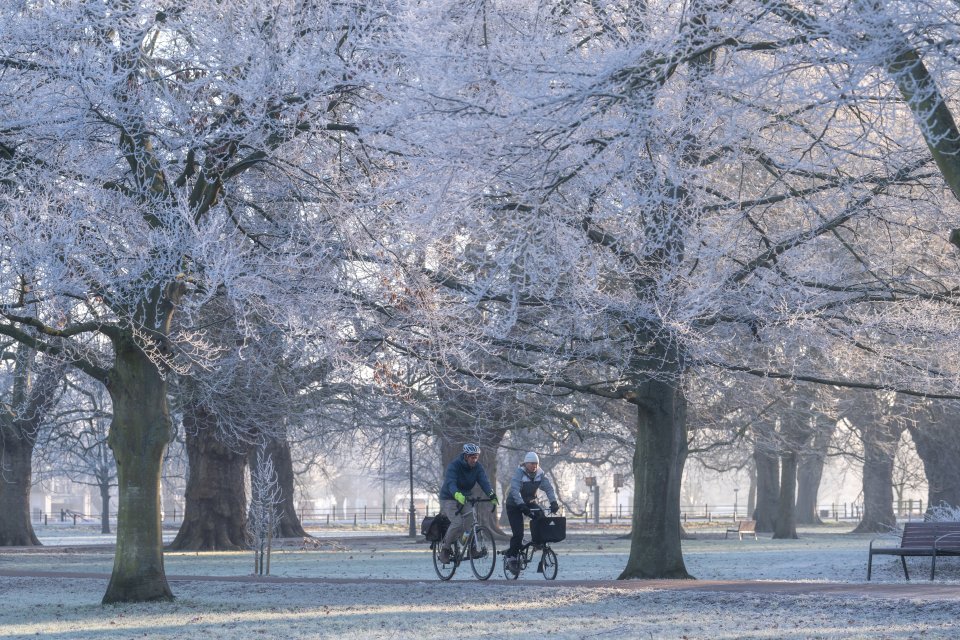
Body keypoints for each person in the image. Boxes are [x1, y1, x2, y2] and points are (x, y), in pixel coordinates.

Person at [437, 443, 498, 564]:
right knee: (457, 522)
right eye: (471, 457)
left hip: (465, 497)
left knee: (470, 523)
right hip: (449, 497)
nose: (474, 459)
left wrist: (491, 494)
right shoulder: (454, 466)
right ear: (465, 456)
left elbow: (484, 481)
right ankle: (445, 549)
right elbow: (451, 483)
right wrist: (456, 494)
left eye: (476, 457)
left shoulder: (478, 467)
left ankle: (472, 549)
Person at [504, 451, 559, 572]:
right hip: (514, 505)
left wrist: (553, 502)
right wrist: (521, 505)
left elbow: (548, 488)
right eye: (531, 463)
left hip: (529, 502)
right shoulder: (519, 473)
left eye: (536, 464)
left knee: (542, 518)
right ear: (526, 463)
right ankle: (511, 557)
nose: (534, 466)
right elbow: (515, 490)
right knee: (518, 533)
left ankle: (538, 542)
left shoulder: (540, 474)